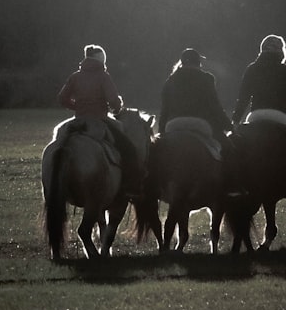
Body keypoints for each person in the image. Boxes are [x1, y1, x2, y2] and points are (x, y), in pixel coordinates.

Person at [57, 44, 142, 197]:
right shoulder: (103, 76)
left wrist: (77, 106)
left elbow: (62, 99)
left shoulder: (75, 76)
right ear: (101, 59)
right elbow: (114, 101)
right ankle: (130, 186)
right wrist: (117, 108)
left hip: (79, 119)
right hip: (100, 120)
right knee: (128, 147)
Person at [160, 48, 244, 196]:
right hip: (200, 124)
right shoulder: (207, 78)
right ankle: (233, 186)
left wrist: (161, 132)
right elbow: (215, 106)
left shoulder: (170, 80)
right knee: (229, 149)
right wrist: (228, 126)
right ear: (198, 62)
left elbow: (165, 109)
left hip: (173, 124)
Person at [232, 34, 286, 126]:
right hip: (283, 114)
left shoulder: (251, 69)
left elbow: (243, 98)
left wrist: (236, 120)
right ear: (281, 52)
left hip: (256, 113)